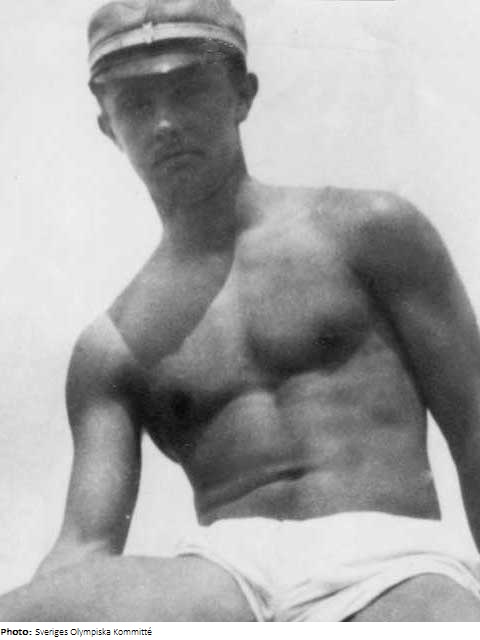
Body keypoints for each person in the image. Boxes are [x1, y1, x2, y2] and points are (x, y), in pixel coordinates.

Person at [1, 0, 480, 622]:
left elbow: (474, 427)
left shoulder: (367, 231)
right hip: (227, 575)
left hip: (389, 559)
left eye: (188, 91)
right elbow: (85, 545)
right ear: (106, 126)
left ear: (243, 95)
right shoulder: (114, 344)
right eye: (137, 104)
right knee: (21, 620)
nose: (164, 123)